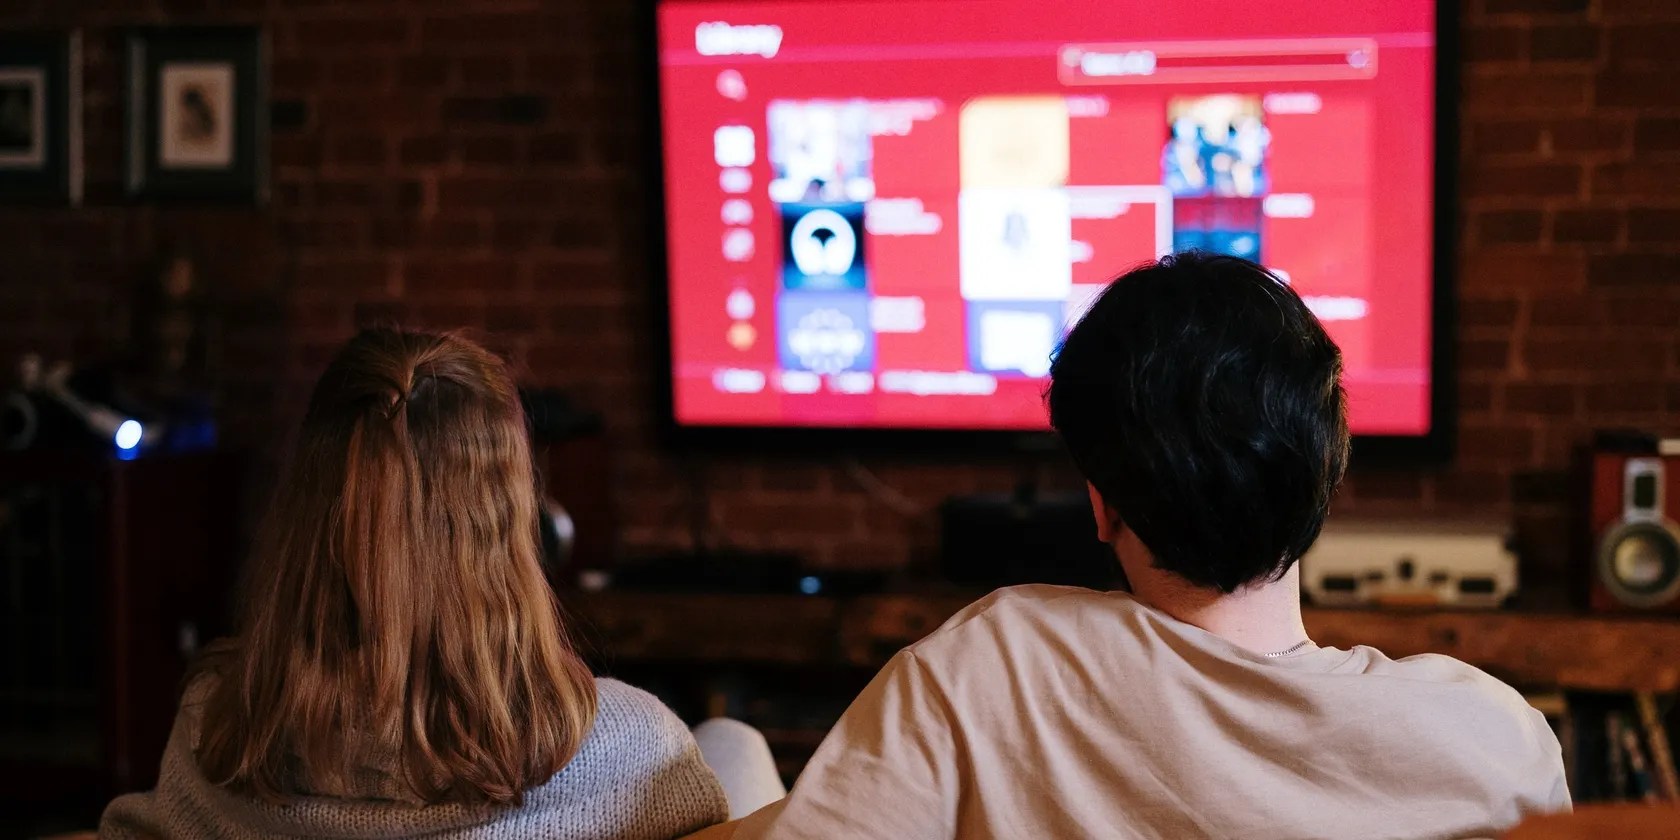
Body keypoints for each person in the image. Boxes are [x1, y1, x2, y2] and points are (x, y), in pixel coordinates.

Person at [726, 253, 1570, 839]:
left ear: (1102, 506)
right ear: (1326, 474)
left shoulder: (990, 667)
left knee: (729, 750)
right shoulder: (1500, 742)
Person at [101, 329, 729, 839]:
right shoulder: (631, 749)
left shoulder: (215, 730)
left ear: (304, 519)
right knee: (735, 740)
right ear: (511, 524)